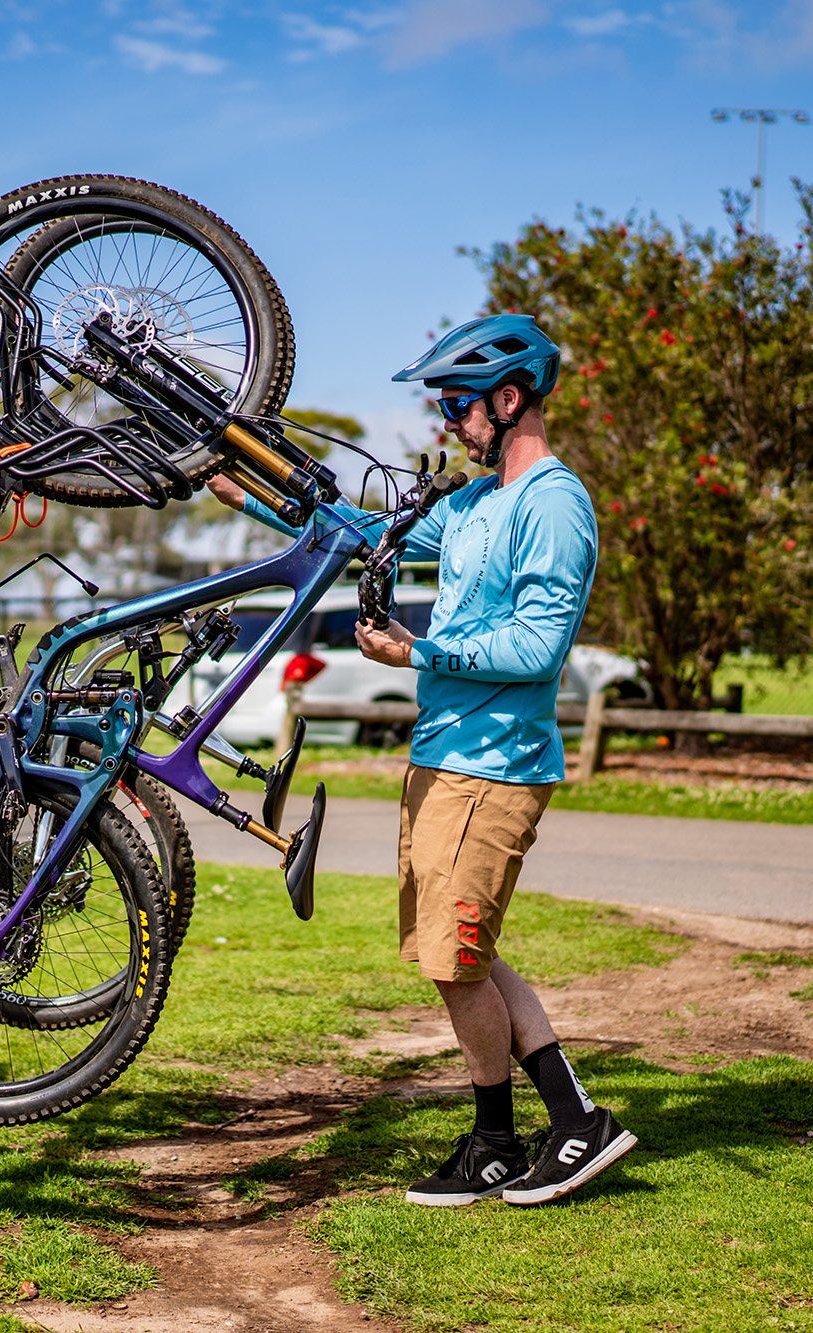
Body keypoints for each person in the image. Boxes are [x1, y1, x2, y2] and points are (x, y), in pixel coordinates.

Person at [207, 313, 634, 1206]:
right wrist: (239, 482)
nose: (445, 418)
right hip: (443, 757)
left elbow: (538, 646)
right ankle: (507, 1140)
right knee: (459, 952)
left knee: (455, 959)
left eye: (457, 401)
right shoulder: (475, 506)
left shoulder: (553, 504)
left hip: (497, 766)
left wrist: (418, 653)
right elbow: (366, 532)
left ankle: (563, 1127)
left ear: (509, 398)